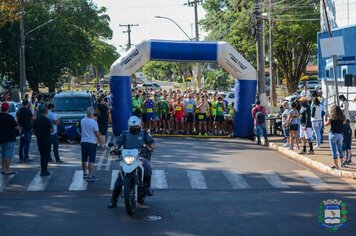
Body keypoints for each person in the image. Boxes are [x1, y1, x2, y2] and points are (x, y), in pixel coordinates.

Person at [108, 116, 156, 208]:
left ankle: (148, 187)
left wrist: (150, 147)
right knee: (119, 178)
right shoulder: (125, 134)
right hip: (127, 157)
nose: (134, 129)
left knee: (148, 167)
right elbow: (117, 143)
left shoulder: (144, 133)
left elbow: (152, 143)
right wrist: (114, 148)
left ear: (139, 126)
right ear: (129, 127)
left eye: (136, 127)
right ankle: (113, 200)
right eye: (132, 128)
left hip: (141, 157)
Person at [80, 106, 103, 182]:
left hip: (83, 142)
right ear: (92, 113)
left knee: (84, 159)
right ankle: (90, 176)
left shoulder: (82, 120)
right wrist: (101, 144)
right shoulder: (94, 122)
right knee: (91, 160)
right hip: (91, 142)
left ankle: (84, 174)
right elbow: (97, 134)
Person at [33, 107, 53, 176]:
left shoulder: (37, 120)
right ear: (46, 112)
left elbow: (33, 130)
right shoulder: (48, 120)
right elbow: (51, 130)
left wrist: (37, 135)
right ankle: (44, 170)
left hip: (39, 139)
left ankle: (43, 169)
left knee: (42, 155)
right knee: (46, 155)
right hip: (47, 139)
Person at [324, 105, 345, 169]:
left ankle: (336, 165)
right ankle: (342, 163)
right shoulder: (342, 117)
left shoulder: (331, 118)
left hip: (333, 134)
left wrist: (324, 119)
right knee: (340, 149)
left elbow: (325, 125)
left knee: (334, 150)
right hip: (340, 135)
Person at [0, 102, 17, 175]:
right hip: (9, 138)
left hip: (1, 138)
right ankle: (7, 169)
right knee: (8, 154)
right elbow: (15, 126)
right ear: (8, 108)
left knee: (3, 154)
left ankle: (3, 169)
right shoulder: (10, 117)